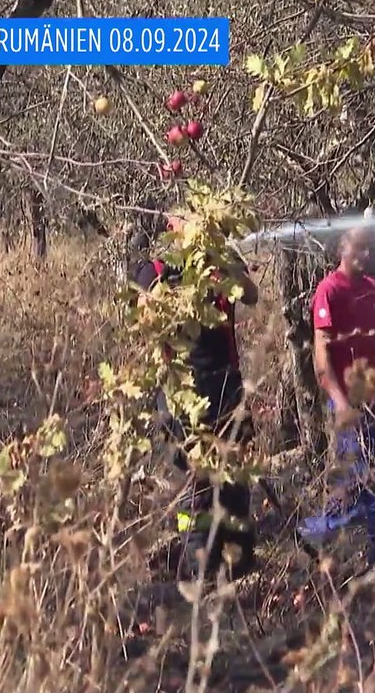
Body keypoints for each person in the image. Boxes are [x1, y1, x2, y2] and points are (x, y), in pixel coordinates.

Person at [134, 212, 260, 582]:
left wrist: (224, 268)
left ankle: (242, 570)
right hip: (183, 396)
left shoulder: (223, 263)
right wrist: (180, 288)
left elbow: (250, 295)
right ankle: (200, 572)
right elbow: (147, 318)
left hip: (228, 387)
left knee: (236, 482)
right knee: (196, 488)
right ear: (174, 231)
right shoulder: (155, 269)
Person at [297, 226, 375, 566]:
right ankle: (315, 533)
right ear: (342, 248)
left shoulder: (373, 289)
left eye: (369, 249)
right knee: (358, 481)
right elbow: (322, 356)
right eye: (359, 248)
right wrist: (341, 403)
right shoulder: (328, 290)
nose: (366, 256)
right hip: (351, 404)